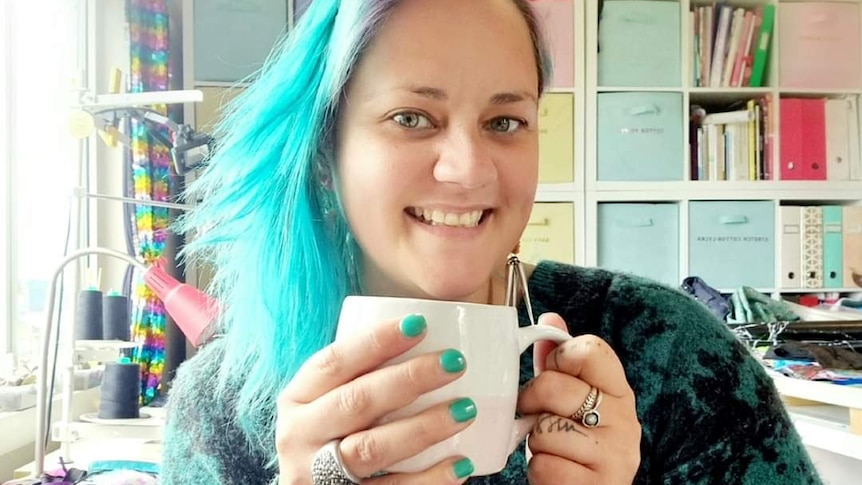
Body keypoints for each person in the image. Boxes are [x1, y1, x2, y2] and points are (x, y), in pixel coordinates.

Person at [161, 0, 823, 484]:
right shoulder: (221, 413)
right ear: (325, 158)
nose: (470, 168)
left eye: (504, 120)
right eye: (412, 117)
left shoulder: (670, 355)